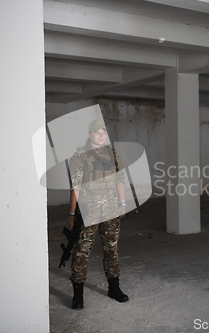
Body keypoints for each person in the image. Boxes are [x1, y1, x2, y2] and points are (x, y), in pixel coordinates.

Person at [66, 119, 129, 309]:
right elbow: (75, 187)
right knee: (81, 252)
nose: (101, 134)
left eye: (103, 131)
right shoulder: (79, 157)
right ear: (89, 134)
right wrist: (71, 212)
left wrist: (122, 203)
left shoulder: (113, 154)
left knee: (112, 249)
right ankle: (78, 295)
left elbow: (120, 180)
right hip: (88, 211)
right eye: (96, 131)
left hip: (110, 210)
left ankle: (114, 288)